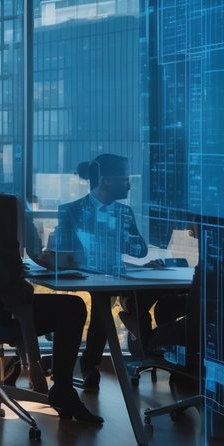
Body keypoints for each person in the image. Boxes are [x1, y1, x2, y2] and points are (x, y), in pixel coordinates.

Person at [0, 194, 102, 424]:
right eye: (24, 218)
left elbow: (20, 303)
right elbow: (22, 309)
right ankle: (63, 390)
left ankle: (53, 383)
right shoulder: (4, 270)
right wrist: (33, 364)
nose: (27, 222)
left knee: (62, 306)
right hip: (1, 317)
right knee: (74, 307)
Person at [39, 153, 148, 391]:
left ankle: (86, 362)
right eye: (124, 179)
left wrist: (119, 232)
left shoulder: (124, 213)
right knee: (101, 304)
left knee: (108, 302)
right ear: (105, 181)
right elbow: (61, 249)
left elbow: (140, 250)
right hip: (81, 271)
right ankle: (87, 363)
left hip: (113, 274)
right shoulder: (71, 210)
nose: (129, 184)